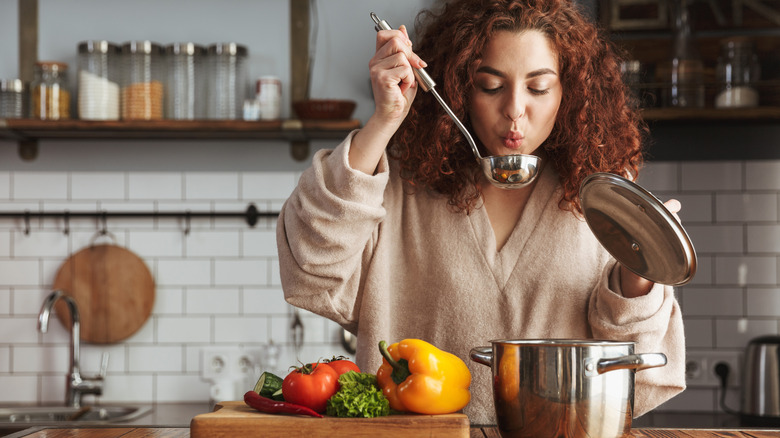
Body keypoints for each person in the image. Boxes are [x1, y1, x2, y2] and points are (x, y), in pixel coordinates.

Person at [277, 0, 685, 424]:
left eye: (538, 88)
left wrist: (638, 275)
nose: (514, 109)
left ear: (570, 92)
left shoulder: (602, 195)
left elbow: (637, 362)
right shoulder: (399, 183)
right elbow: (311, 265)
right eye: (490, 86)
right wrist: (383, 121)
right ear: (458, 88)